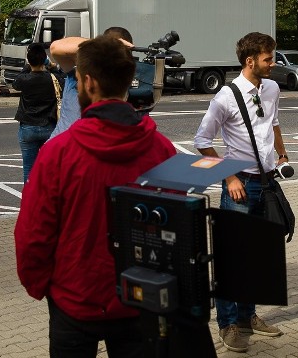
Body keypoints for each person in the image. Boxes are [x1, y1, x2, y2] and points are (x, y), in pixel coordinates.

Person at [15, 34, 177, 357]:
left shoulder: (58, 152)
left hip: (73, 299)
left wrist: (44, 286)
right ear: (128, 82)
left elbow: (32, 234)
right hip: (139, 298)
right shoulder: (162, 149)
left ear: (88, 83)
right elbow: (174, 229)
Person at [194, 32, 288, 353]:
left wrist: (283, 155)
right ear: (250, 61)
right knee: (231, 257)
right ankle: (228, 324)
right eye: (268, 59)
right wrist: (229, 177)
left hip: (267, 182)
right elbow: (201, 140)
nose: (273, 64)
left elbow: (273, 123)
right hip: (240, 186)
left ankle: (248, 316)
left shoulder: (272, 88)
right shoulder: (225, 97)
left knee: (256, 254)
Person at [48, 27, 133, 140]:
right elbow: (56, 47)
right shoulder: (83, 68)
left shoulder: (129, 76)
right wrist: (98, 46)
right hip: (66, 145)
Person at [13, 43, 59, 183]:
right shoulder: (51, 78)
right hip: (48, 126)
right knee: (50, 167)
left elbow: (15, 83)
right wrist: (52, 66)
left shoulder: (24, 79)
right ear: (44, 59)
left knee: (29, 167)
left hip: (28, 126)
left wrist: (27, 66)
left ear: (29, 60)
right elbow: (63, 77)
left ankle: (29, 198)